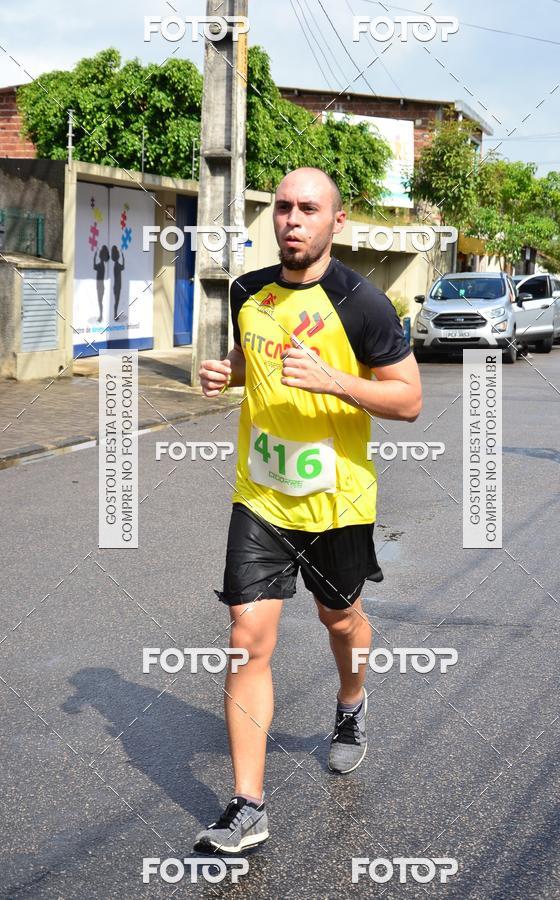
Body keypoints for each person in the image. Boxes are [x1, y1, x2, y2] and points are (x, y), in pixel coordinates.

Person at [194, 167, 422, 854]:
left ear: (336, 221)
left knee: (340, 618)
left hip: (337, 502)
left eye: (309, 209)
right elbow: (251, 359)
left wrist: (333, 380)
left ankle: (350, 705)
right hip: (260, 495)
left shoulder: (364, 304)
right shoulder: (247, 291)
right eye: (285, 208)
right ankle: (248, 806)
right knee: (246, 635)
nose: (293, 220)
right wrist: (225, 374)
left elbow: (408, 400)